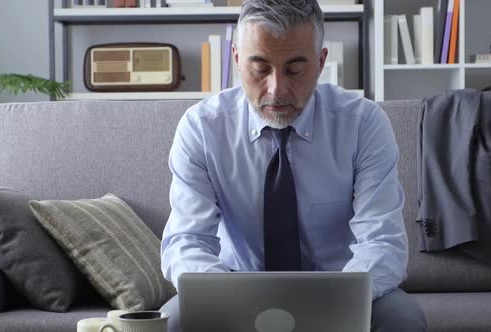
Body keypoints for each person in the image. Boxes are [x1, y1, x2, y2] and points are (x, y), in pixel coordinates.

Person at [160, 0, 427, 331]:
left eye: (295, 70)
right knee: (173, 322)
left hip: (343, 287)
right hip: (234, 289)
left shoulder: (363, 124)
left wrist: (335, 301)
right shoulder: (201, 128)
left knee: (403, 320)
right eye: (260, 68)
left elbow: (382, 242)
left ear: (320, 62)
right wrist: (230, 298)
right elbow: (186, 243)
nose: (277, 89)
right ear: (237, 59)